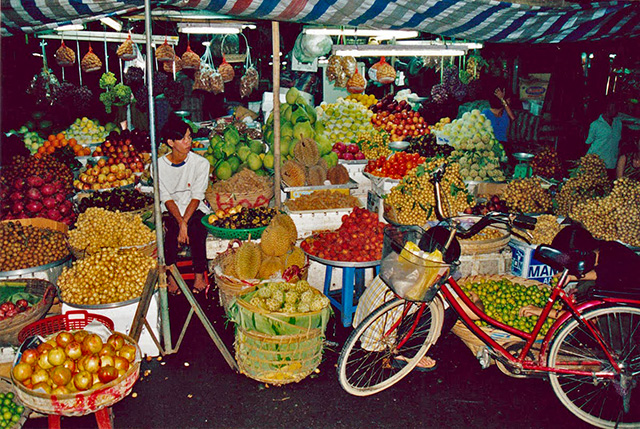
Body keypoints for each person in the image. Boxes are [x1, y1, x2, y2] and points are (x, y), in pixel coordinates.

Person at [519, 224, 640, 318]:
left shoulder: (612, 278)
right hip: (628, 291)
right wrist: (571, 277)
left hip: (629, 317)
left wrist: (542, 312)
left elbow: (587, 317)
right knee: (585, 286)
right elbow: (601, 273)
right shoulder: (605, 249)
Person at [157, 114, 211, 293]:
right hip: (171, 210)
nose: (188, 141)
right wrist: (180, 223)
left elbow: (197, 196)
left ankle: (198, 276)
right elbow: (166, 197)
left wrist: (185, 222)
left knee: (197, 228)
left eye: (189, 136)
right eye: (182, 138)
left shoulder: (201, 163)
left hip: (194, 208)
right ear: (170, 142)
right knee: (171, 231)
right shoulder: (158, 166)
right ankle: (171, 276)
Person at [586, 100, 622, 177]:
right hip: (597, 164)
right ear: (607, 109)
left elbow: (619, 141)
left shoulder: (618, 123)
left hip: (612, 163)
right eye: (613, 108)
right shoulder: (596, 124)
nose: (616, 111)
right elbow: (589, 142)